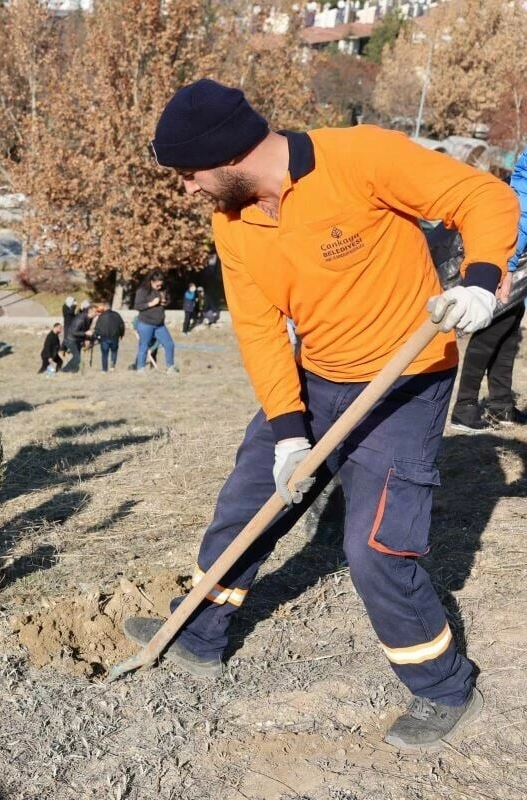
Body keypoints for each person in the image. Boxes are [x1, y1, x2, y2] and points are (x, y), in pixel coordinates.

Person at [127, 78, 517, 751]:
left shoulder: (359, 157)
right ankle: (199, 633)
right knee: (249, 503)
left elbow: (483, 197)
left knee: (375, 549)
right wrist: (287, 434)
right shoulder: (234, 221)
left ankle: (444, 687)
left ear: (230, 153)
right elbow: (258, 329)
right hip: (317, 377)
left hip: (407, 382)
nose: (186, 189)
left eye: (190, 173)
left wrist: (481, 279)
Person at [450, 148, 527, 432]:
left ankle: (500, 404)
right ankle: (464, 408)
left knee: (508, 334)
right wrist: (507, 265)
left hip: (519, 261)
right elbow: (522, 214)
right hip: (510, 257)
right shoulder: (523, 190)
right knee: (488, 334)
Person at [134, 270, 177, 373]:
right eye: (157, 285)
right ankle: (140, 368)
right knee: (144, 346)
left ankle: (170, 367)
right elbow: (137, 306)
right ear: (151, 282)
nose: (159, 287)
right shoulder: (142, 291)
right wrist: (151, 304)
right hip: (145, 323)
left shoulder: (163, 290)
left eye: (161, 285)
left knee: (169, 344)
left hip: (159, 325)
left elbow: (169, 300)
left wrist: (165, 302)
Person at [93, 302, 126, 372]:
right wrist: (121, 334)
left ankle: (104, 369)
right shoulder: (117, 315)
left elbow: (97, 328)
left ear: (104, 307)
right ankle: (112, 367)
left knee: (104, 354)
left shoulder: (101, 316)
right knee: (114, 352)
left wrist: (96, 336)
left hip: (104, 338)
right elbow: (121, 325)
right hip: (115, 338)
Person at [63, 304, 95, 372]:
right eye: (95, 311)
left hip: (78, 339)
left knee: (77, 357)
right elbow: (73, 332)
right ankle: (65, 370)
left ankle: (74, 370)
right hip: (70, 339)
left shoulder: (89, 318)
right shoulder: (80, 319)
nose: (96, 313)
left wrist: (87, 338)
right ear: (90, 311)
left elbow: (85, 329)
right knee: (77, 358)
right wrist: (85, 333)